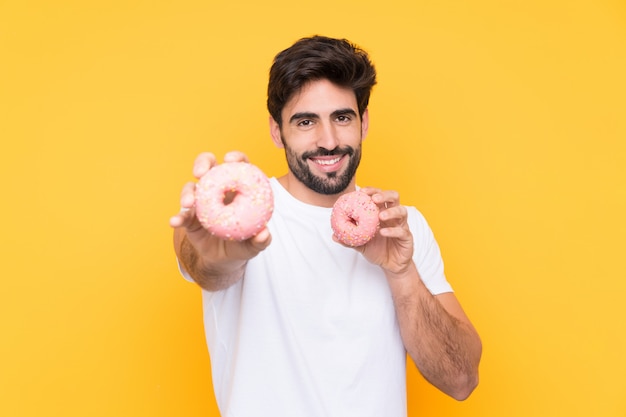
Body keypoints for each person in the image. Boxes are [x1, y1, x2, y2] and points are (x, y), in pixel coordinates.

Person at [169, 35, 482, 416]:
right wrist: (225, 253)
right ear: (276, 130)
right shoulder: (237, 215)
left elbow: (461, 380)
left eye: (342, 117)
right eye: (305, 122)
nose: (329, 141)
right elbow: (208, 268)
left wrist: (401, 273)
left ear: (363, 123)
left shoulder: (403, 227)